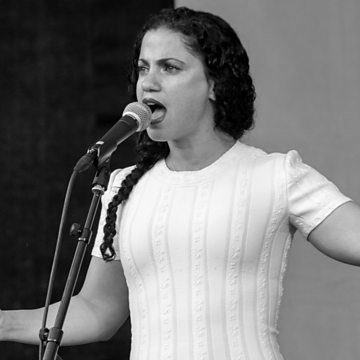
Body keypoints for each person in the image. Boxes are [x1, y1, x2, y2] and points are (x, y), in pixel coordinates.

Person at [1, 6, 360, 360]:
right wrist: (3, 324)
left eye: (169, 68)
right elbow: (97, 311)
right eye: (144, 68)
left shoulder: (276, 175)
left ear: (215, 85)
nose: (148, 82)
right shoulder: (124, 187)